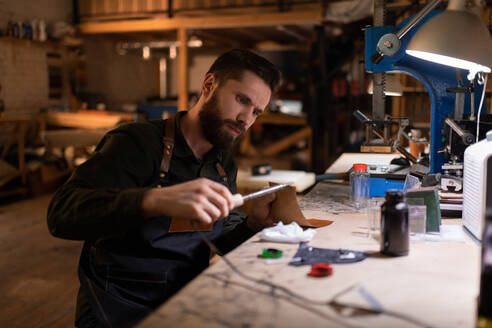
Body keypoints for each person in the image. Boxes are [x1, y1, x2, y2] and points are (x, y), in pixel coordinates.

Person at [47, 49, 281, 328]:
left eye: (256, 111)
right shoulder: (137, 143)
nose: (246, 119)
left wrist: (252, 224)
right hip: (117, 306)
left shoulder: (221, 164)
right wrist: (153, 200)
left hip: (185, 301)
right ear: (208, 86)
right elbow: (60, 214)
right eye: (241, 100)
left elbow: (222, 236)